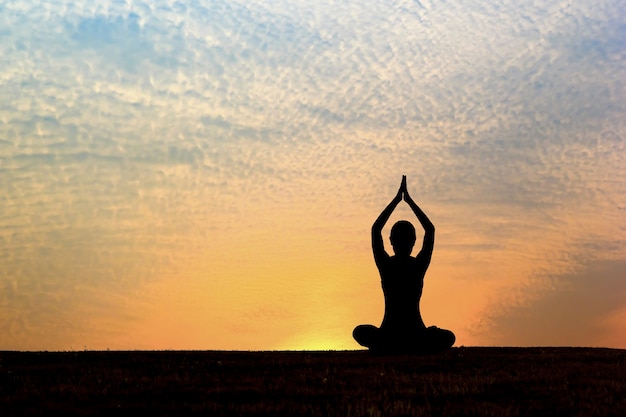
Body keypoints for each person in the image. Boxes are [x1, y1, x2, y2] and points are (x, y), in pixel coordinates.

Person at [353, 176, 455, 354]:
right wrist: (405, 200)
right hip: (403, 333)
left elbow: (376, 229)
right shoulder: (403, 265)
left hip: (402, 333)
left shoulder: (402, 265)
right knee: (359, 331)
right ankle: (410, 346)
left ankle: (389, 346)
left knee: (448, 337)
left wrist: (400, 200)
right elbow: (429, 230)